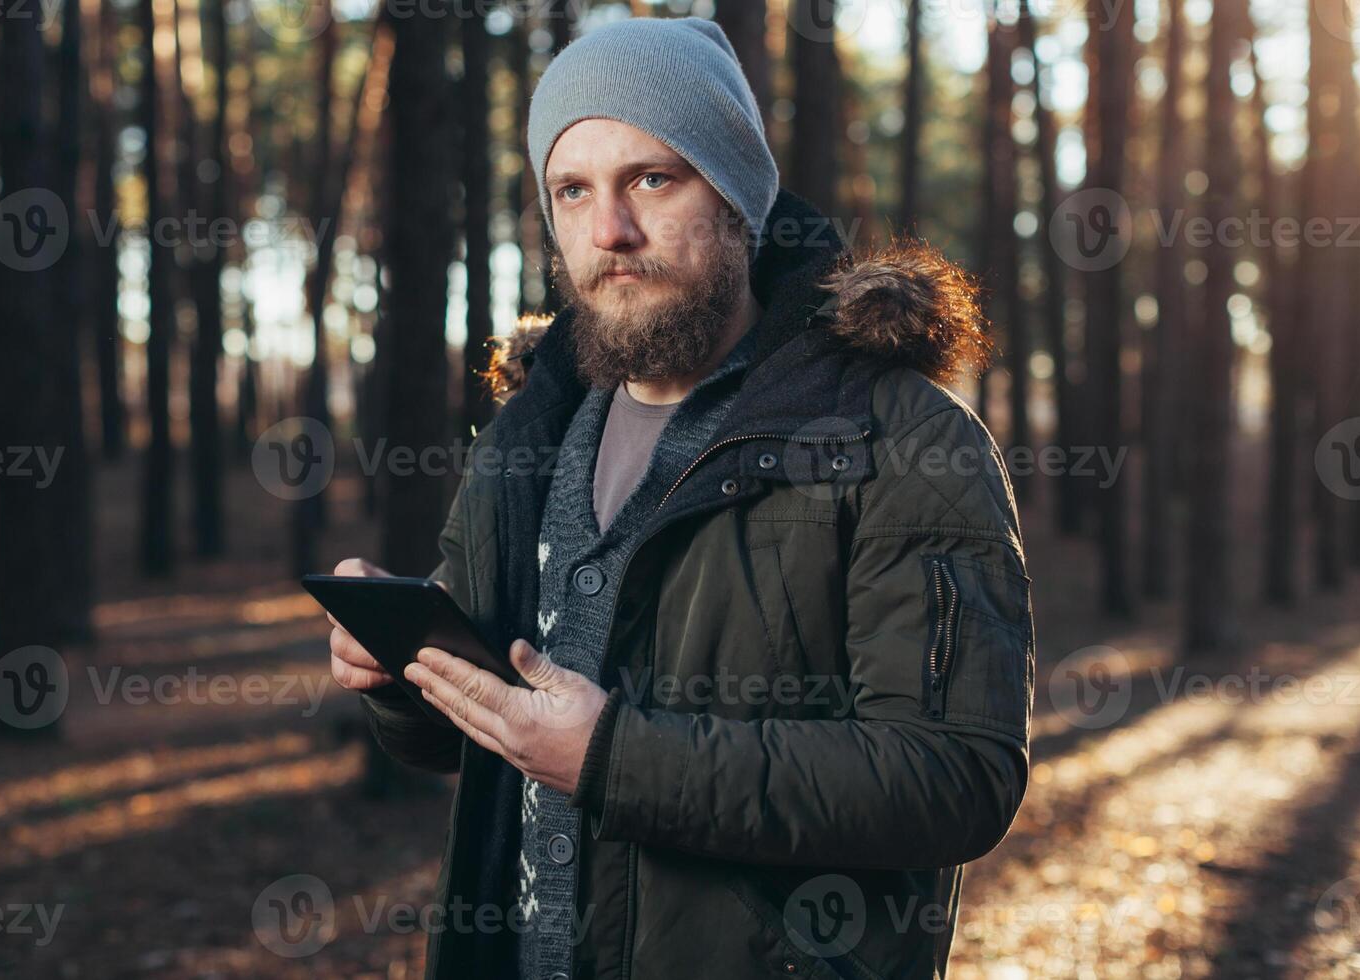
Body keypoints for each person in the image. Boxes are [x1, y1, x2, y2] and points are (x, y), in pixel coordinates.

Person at [329, 16, 1034, 980]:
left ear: (739, 197)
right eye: (573, 191)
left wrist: (614, 758)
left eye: (652, 180)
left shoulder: (897, 440)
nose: (609, 231)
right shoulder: (527, 440)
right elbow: (490, 740)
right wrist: (402, 680)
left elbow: (956, 778)